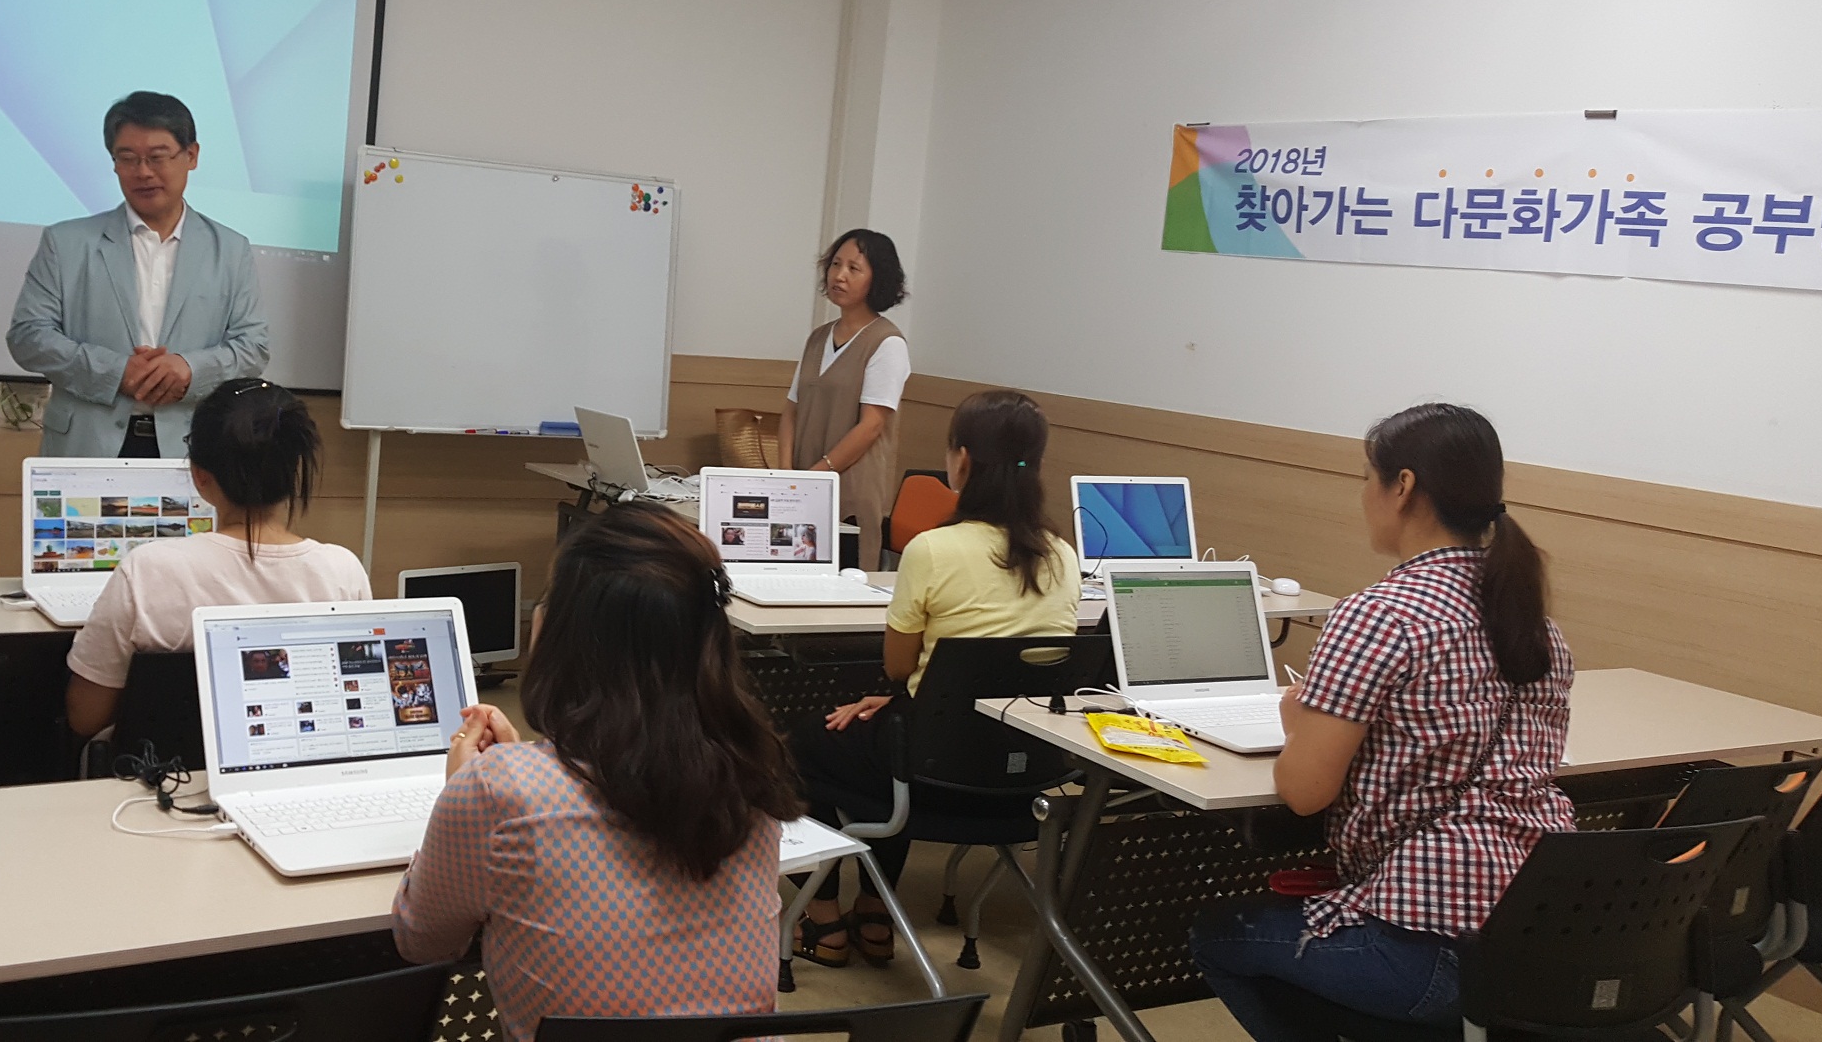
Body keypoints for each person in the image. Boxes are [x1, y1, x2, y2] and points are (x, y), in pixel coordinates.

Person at [1191, 403, 1576, 1042]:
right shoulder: (1536, 624)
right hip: (1541, 939)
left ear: (1403, 486)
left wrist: (1296, 722)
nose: (1362, 494)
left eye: (1366, 477)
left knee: (1219, 934)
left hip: (1433, 951)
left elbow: (1304, 792)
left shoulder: (1379, 615)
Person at [394, 503, 803, 1038]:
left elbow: (422, 941)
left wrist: (467, 789)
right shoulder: (749, 777)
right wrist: (530, 762)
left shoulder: (499, 791)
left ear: (562, 634)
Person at [787, 388, 1080, 968]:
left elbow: (898, 667)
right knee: (895, 729)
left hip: (927, 772)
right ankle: (876, 913)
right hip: (1025, 778)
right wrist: (905, 699)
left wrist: (904, 698)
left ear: (961, 460)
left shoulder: (933, 549)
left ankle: (824, 919)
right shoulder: (1062, 555)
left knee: (806, 742)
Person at [65, 378, 366, 736]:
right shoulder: (343, 571)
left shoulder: (148, 569)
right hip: (297, 764)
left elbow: (85, 717)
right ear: (295, 469)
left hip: (165, 769)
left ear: (199, 475)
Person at [7, 92, 270, 459]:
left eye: (157, 157)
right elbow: (28, 336)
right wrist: (116, 371)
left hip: (192, 446)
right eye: (128, 158)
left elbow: (253, 345)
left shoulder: (229, 249)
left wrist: (189, 369)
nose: (143, 172)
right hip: (86, 444)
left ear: (191, 155)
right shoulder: (65, 243)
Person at [778, 229, 909, 540]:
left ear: (877, 279)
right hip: (801, 485)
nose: (839, 275)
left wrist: (815, 476)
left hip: (851, 491)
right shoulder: (818, 337)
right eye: (835, 264)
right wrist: (784, 476)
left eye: (854, 268)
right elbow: (791, 411)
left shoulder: (887, 342)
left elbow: (871, 426)